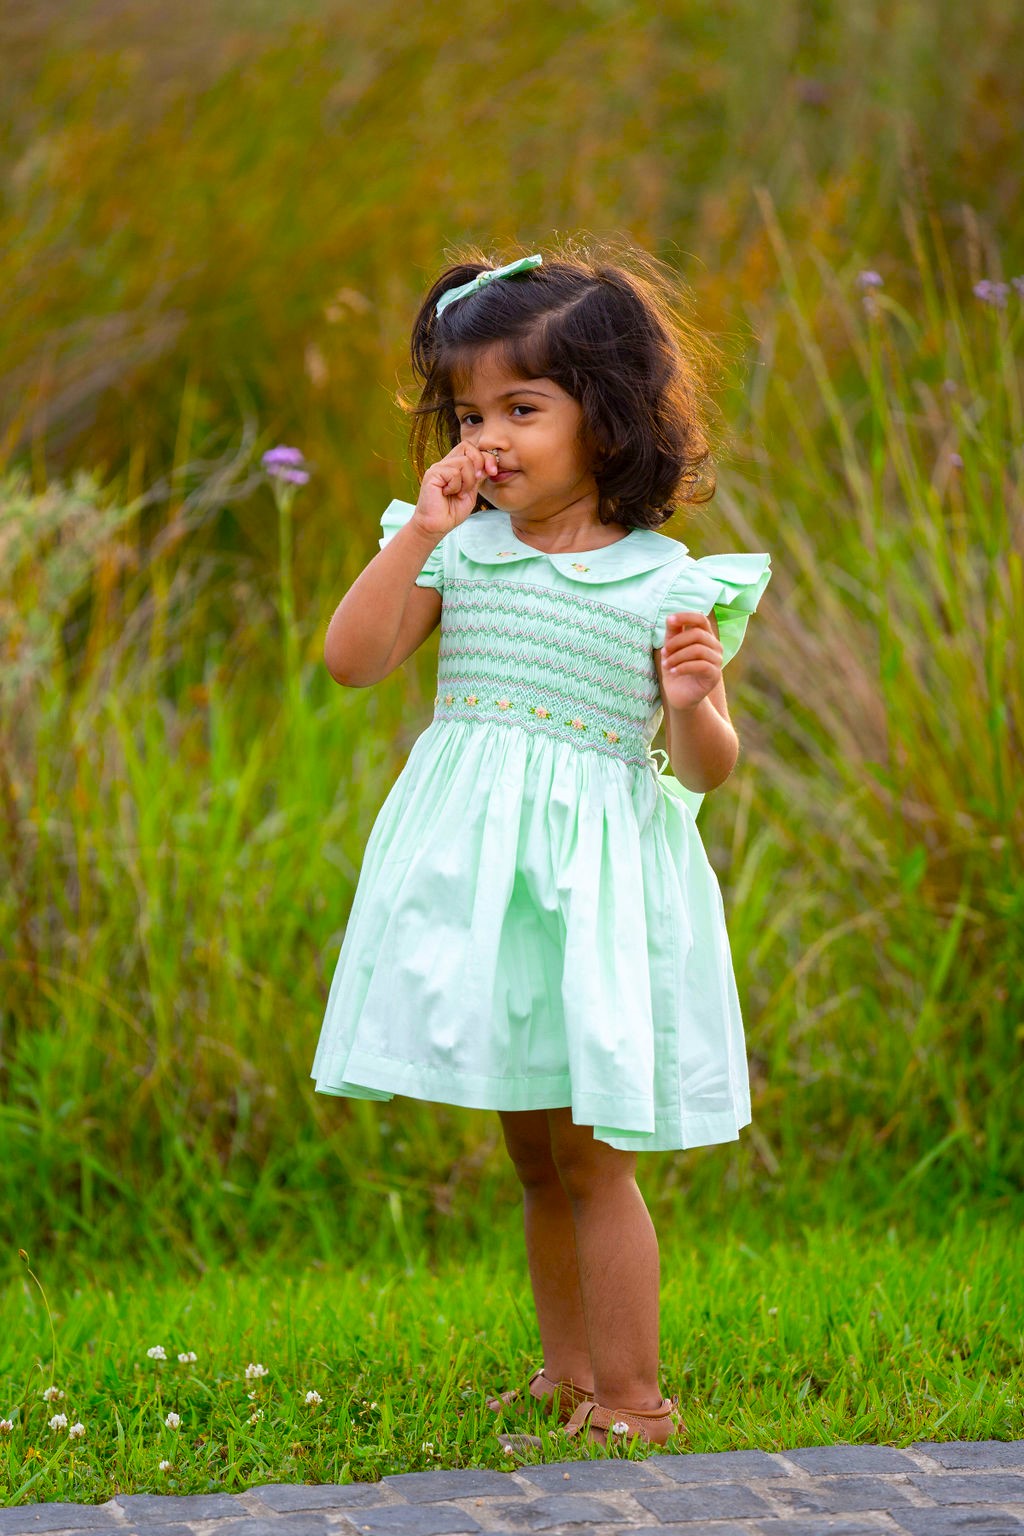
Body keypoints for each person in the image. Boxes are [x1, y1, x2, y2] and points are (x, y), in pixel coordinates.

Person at [310, 243, 773, 1451]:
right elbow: (352, 662)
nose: (491, 435)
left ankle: (632, 1398)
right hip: (486, 890)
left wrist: (692, 700)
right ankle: (565, 1378)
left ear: (607, 419)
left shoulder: (664, 581)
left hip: (594, 895)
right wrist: (417, 531)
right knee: (533, 1152)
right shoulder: (458, 553)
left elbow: (705, 767)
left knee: (594, 1157)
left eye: (525, 406)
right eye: (470, 412)